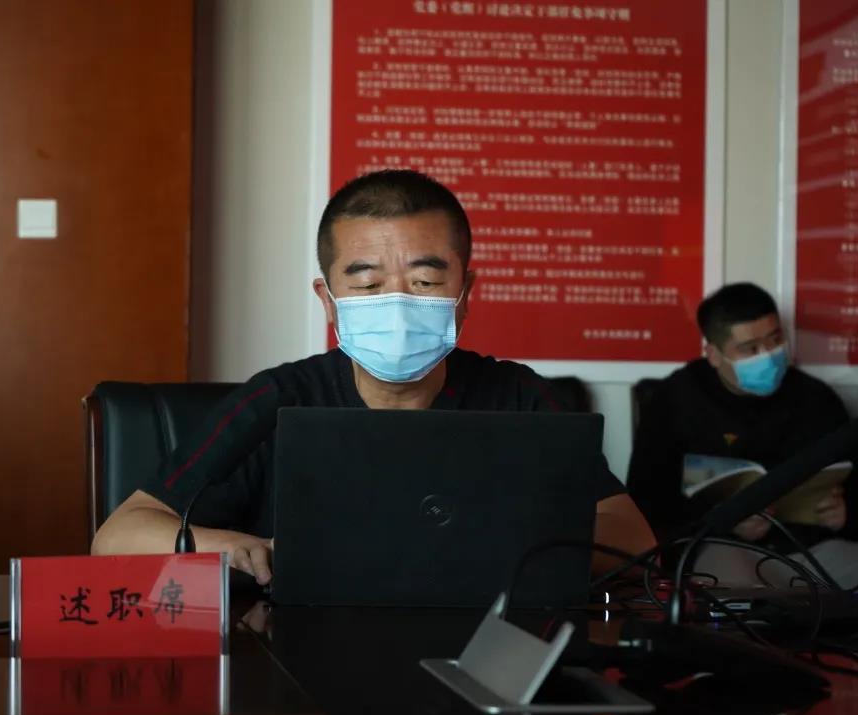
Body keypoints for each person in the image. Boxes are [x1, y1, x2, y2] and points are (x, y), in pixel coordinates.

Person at [92, 169, 655, 584]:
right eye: (366, 285)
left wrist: (497, 541)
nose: (398, 304)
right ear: (329, 300)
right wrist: (239, 547)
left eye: (425, 283)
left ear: (465, 294)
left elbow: (631, 537)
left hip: (477, 653)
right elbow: (119, 536)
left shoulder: (517, 397)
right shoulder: (278, 401)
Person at [627, 282, 858, 593]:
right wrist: (722, 521)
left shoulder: (816, 398)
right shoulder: (676, 400)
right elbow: (645, 504)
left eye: (775, 340)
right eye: (750, 349)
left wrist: (846, 514)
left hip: (812, 550)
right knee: (740, 602)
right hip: (721, 548)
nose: (768, 356)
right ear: (713, 354)